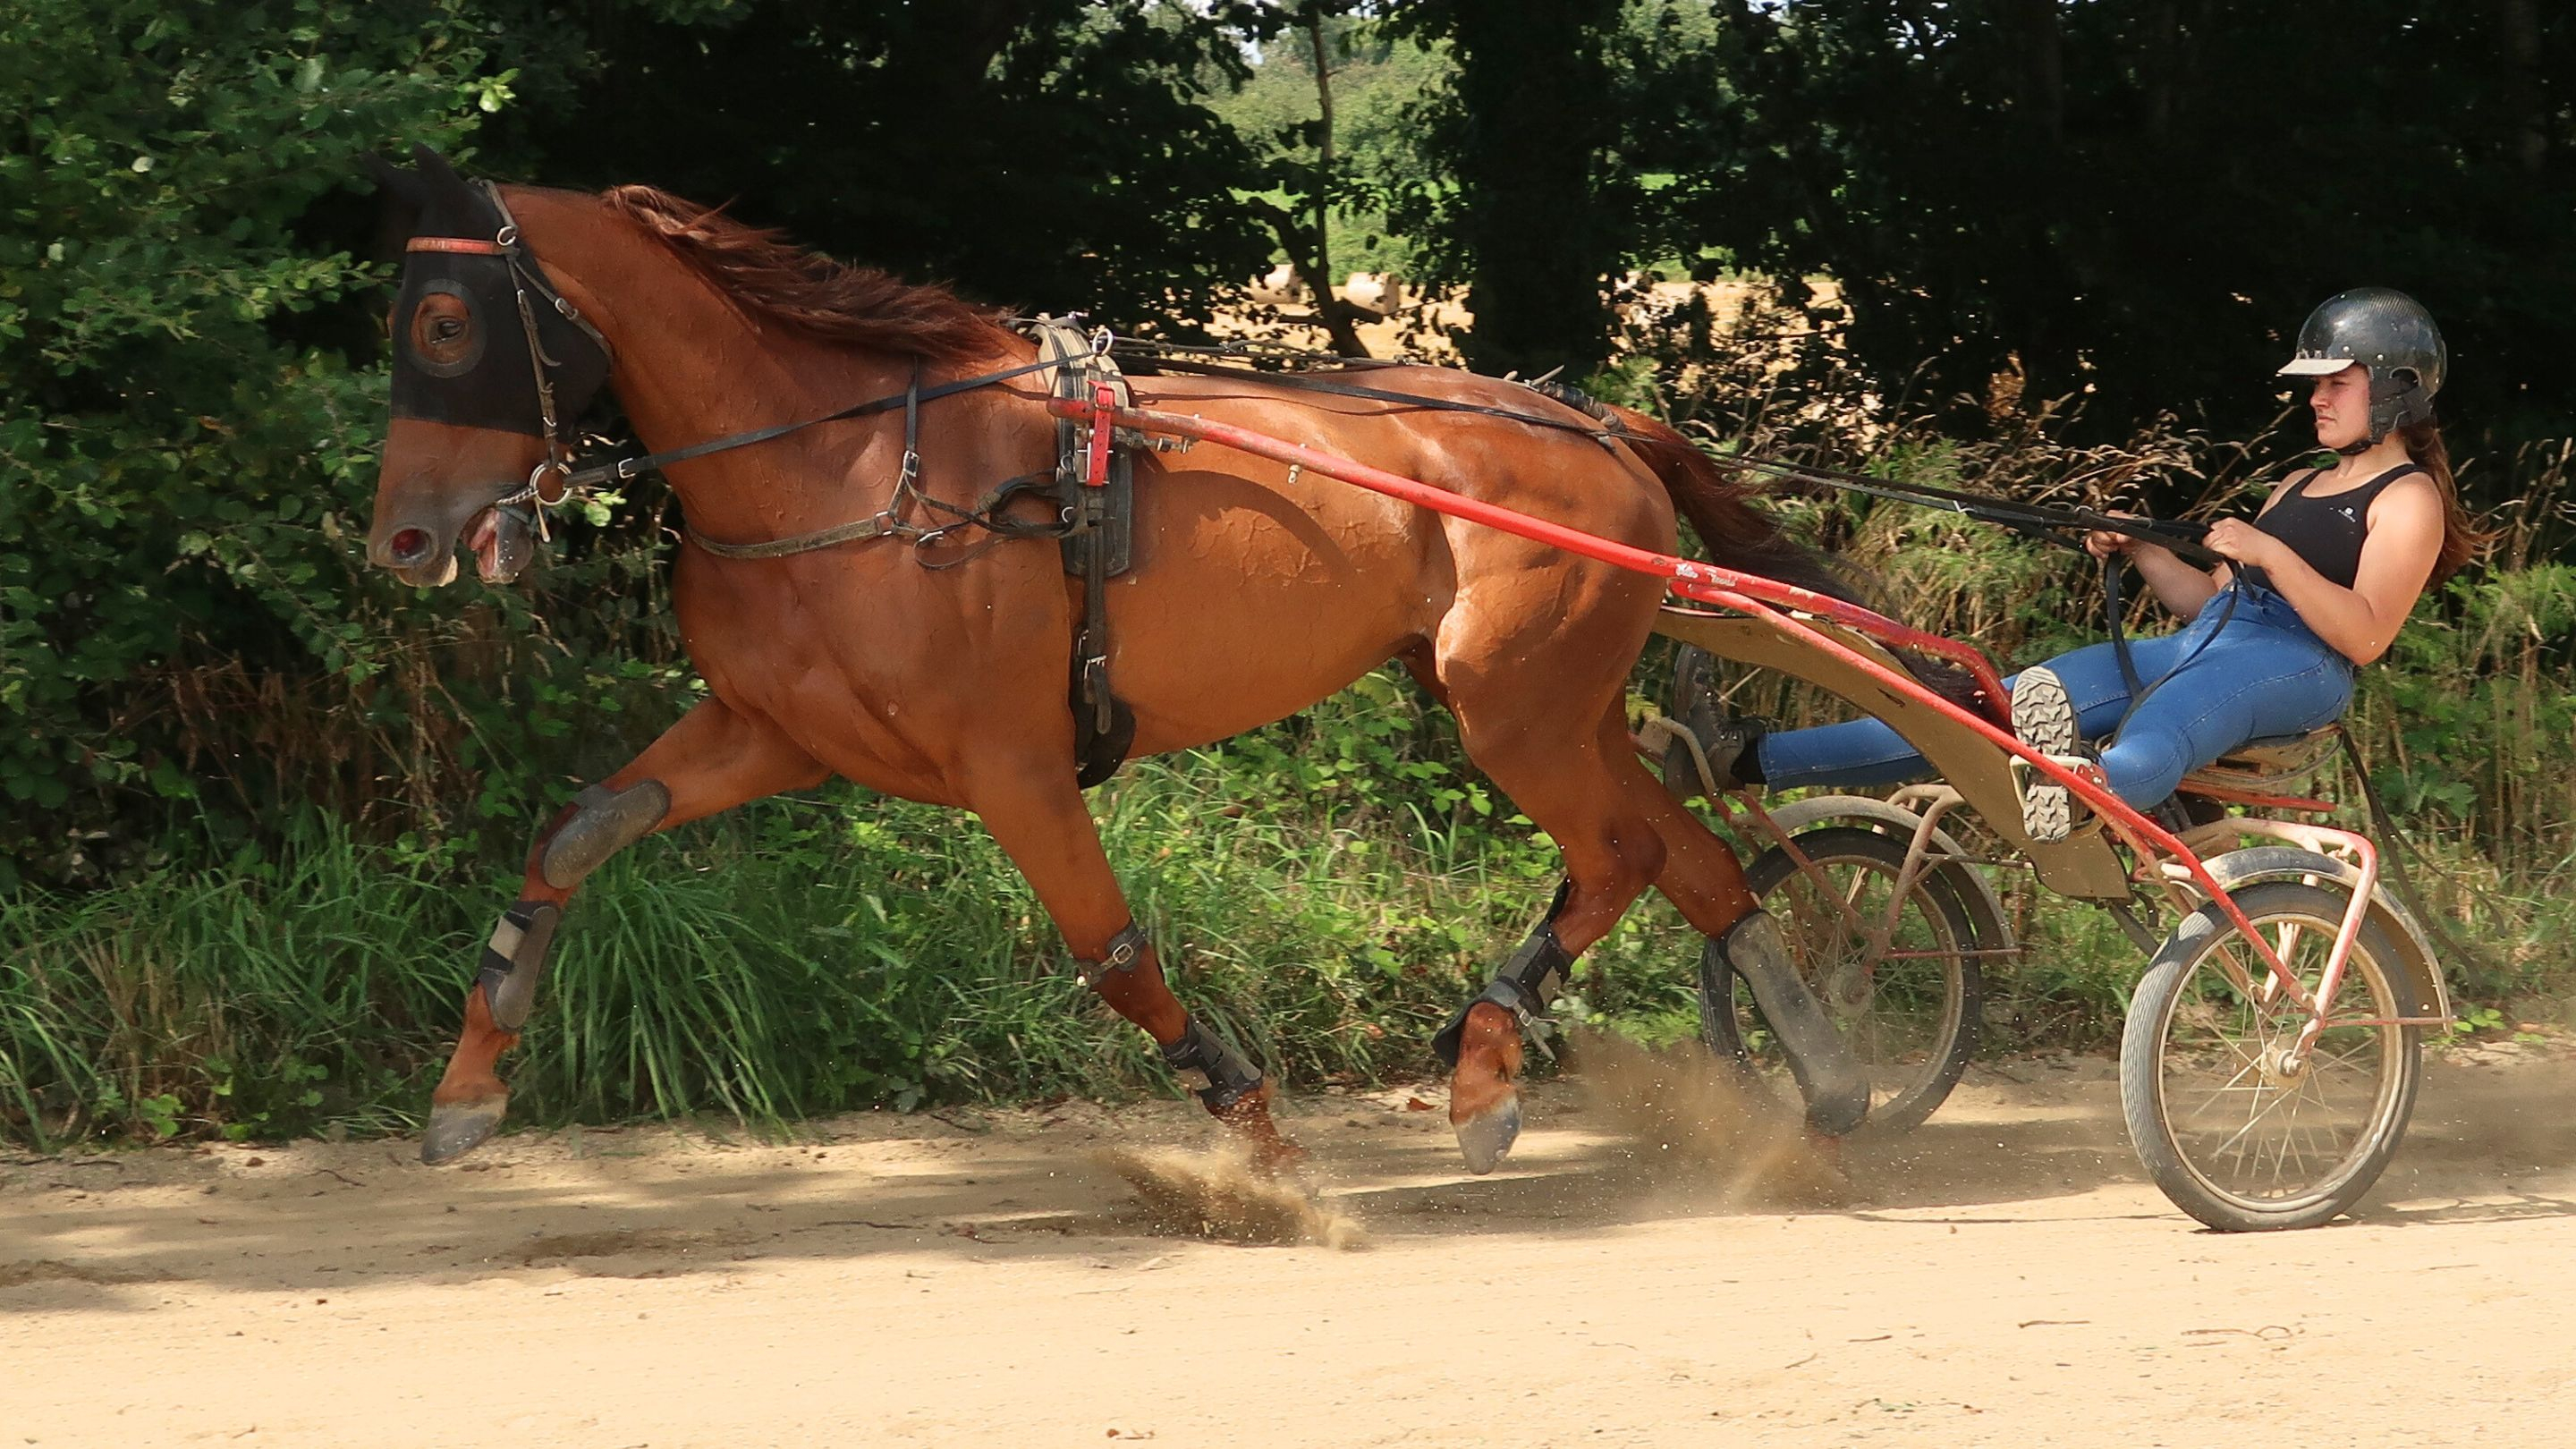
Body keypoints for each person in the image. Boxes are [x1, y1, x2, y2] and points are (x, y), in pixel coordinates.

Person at [1694, 287, 2487, 841]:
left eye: (2333, 383)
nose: (2314, 397)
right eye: (2313, 384)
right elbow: (2203, 601)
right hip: (2210, 640)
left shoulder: (2408, 496)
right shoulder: (2299, 480)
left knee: (2166, 721)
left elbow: (2365, 635)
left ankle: (2081, 793)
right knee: (1985, 708)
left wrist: (2270, 551)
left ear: (2393, 389)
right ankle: (1744, 759)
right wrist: (2141, 546)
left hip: (2298, 668)